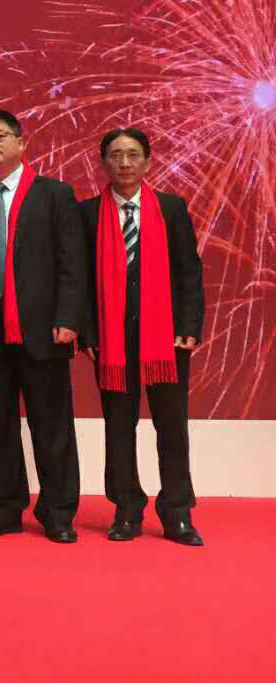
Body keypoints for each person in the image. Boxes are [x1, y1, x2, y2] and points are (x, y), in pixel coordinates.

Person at [0, 109, 87, 543]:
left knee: (52, 425)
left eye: (0, 136)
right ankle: (4, 509)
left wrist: (68, 318)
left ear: (21, 143)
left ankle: (58, 512)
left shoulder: (54, 195)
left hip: (43, 330)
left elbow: (72, 262)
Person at [79, 129, 205, 546]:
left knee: (172, 427)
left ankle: (177, 513)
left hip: (166, 339)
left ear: (148, 162)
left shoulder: (170, 208)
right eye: (116, 155)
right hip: (112, 341)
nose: (125, 163)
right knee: (119, 426)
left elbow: (189, 271)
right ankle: (126, 510)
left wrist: (189, 327)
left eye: (133, 155)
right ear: (104, 164)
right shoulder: (87, 213)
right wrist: (89, 333)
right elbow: (79, 280)